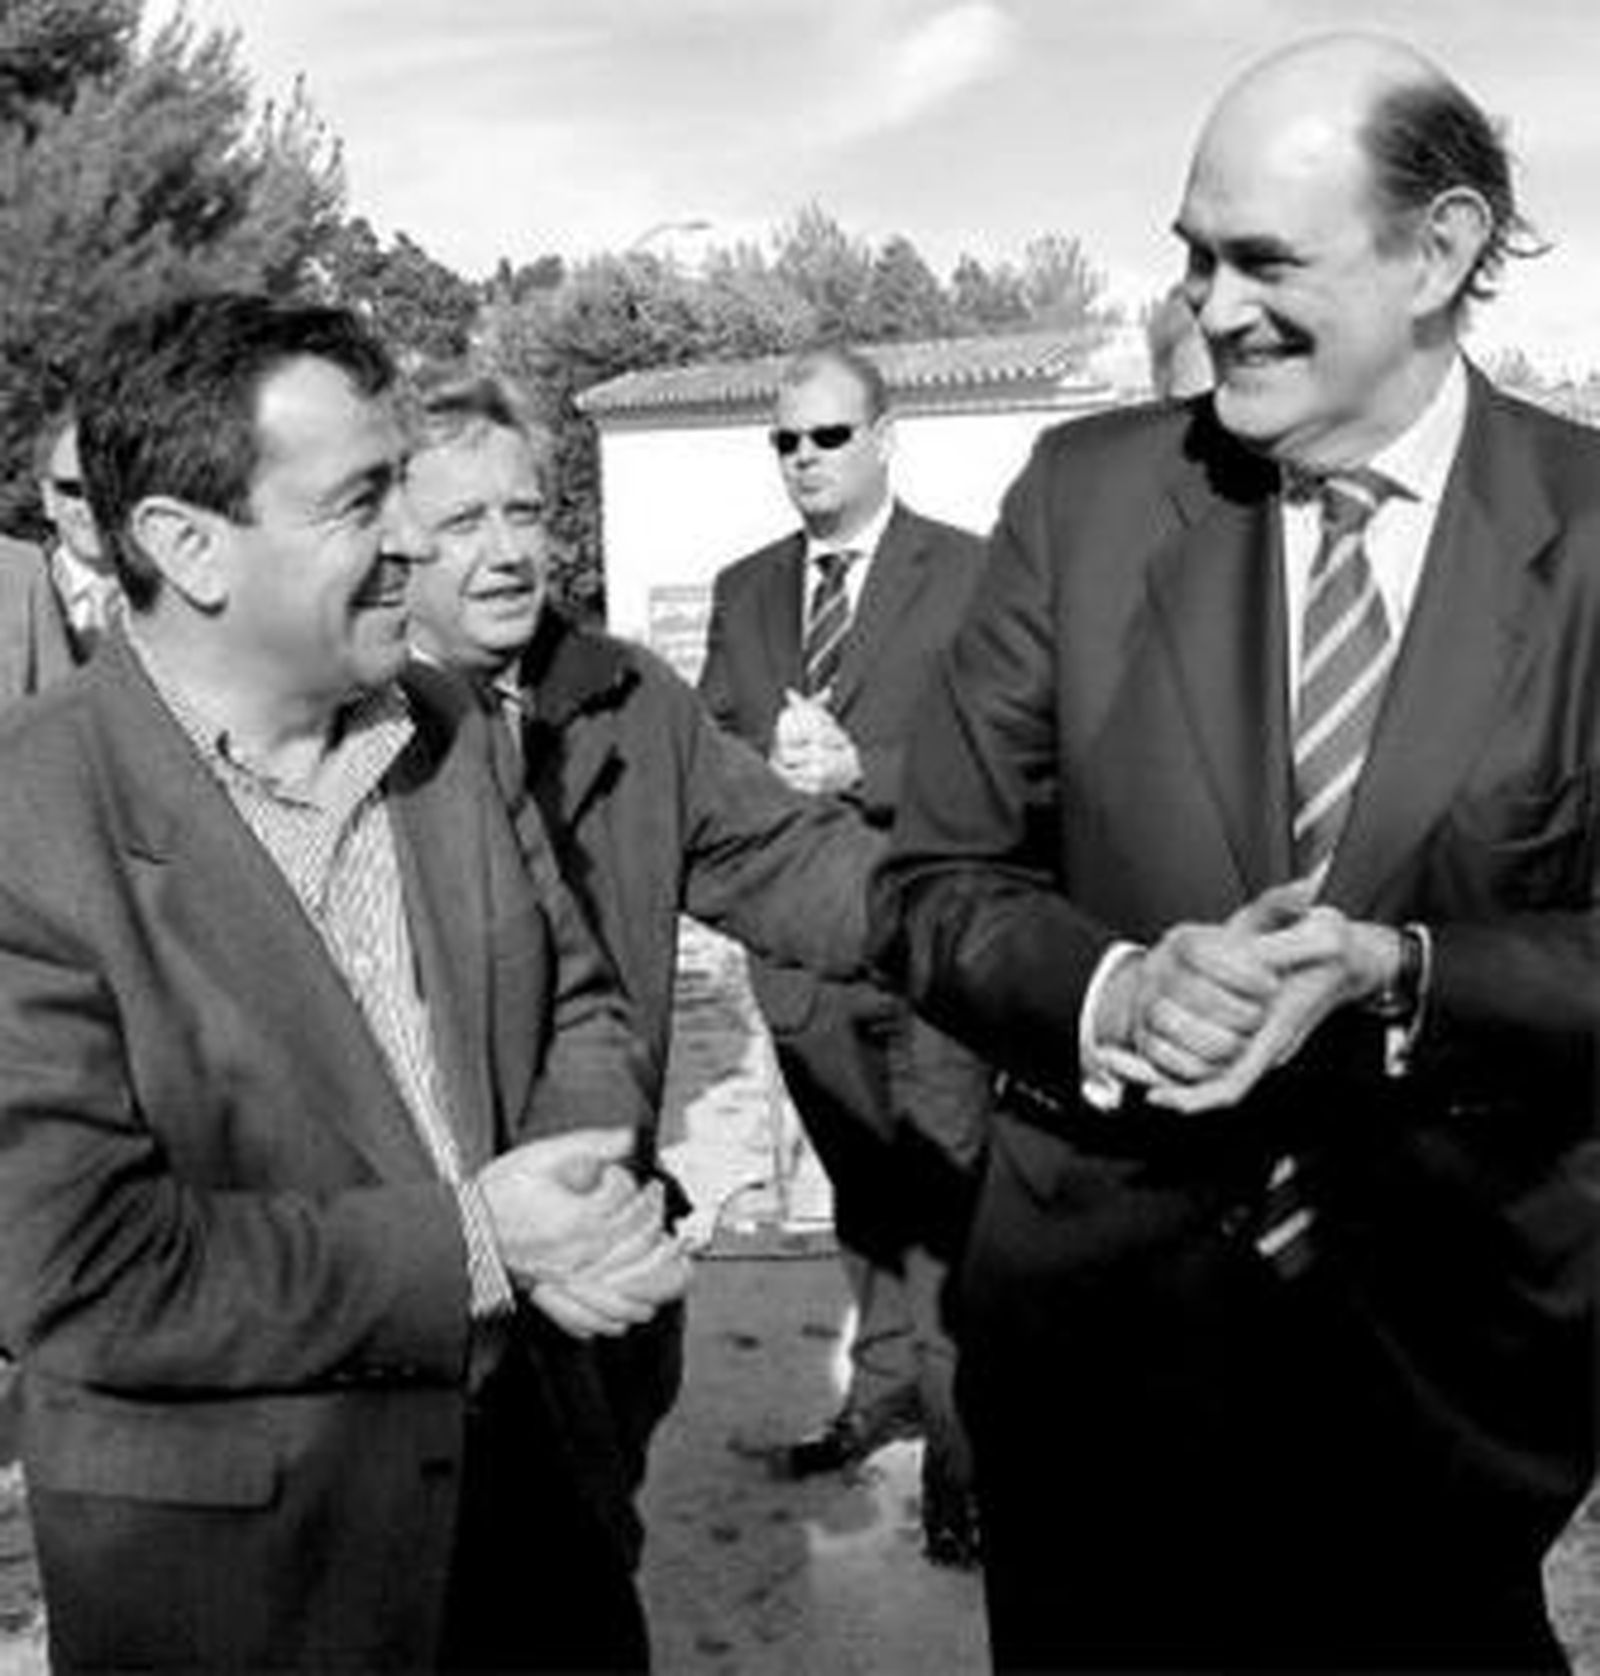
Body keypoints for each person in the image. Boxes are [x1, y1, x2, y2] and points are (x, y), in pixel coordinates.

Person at [872, 31, 1600, 1673]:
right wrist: (1117, 987)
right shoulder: (1085, 500)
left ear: (1444, 250)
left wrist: (1404, 971)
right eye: (1193, 254)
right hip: (1104, 1383)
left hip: (1453, 1392)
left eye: (1267, 259)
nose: (1209, 305)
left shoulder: (1592, 535)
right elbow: (932, 887)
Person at [0, 291, 689, 1675]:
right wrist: (484, 1248)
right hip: (255, 1586)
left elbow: (579, 1000)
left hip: (539, 1505)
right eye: (361, 501)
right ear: (186, 546)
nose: (414, 541)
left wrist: (571, 1190)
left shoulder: (449, 729)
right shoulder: (29, 826)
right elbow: (82, 1276)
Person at [401, 370, 887, 1496]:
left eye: (525, 511)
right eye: (463, 521)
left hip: (608, 1253)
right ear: (390, 542)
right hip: (426, 1289)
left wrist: (1024, 951)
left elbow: (790, 861)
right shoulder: (343, 734)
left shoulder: (633, 699)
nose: (509, 549)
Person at [699, 342, 992, 1565]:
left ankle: (967, 1469)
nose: (804, 458)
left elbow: (1007, 762)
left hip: (928, 948)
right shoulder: (746, 588)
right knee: (866, 1203)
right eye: (786, 440)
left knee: (948, 1209)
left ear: (882, 436)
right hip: (804, 967)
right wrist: (756, 767)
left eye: (827, 435)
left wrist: (862, 767)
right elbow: (712, 741)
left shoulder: (971, 573)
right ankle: (880, 1401)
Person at [0, 410, 104, 701]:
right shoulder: (24, 577)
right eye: (74, 489)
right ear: (48, 497)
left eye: (106, 487)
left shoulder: (176, 596)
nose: (92, 505)